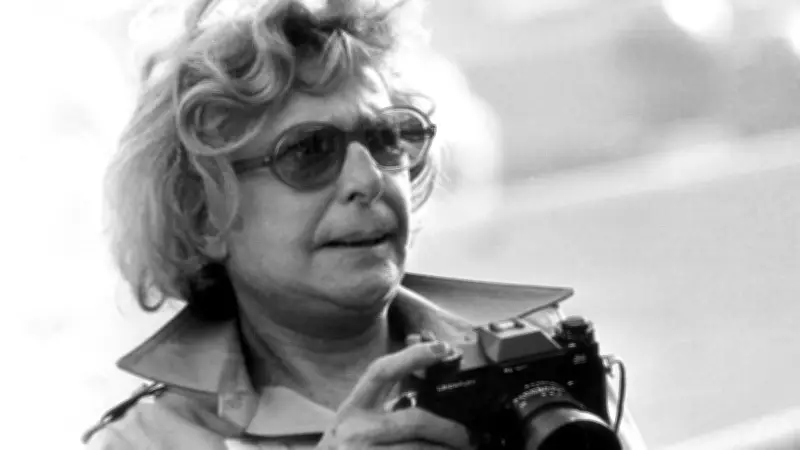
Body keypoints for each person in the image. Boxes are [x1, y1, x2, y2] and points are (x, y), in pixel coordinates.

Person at [84, 0, 648, 448]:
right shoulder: (148, 442)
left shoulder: (540, 366)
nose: (369, 178)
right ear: (204, 214)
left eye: (387, 138)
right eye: (308, 151)